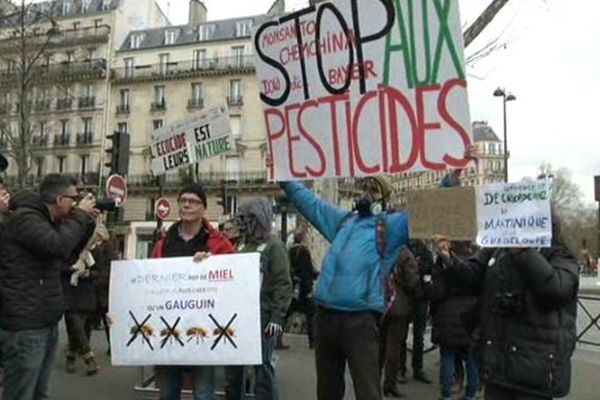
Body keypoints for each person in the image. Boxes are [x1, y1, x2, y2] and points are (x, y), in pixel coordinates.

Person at [280, 176, 409, 400]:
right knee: (328, 391)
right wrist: (283, 177)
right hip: (325, 317)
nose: (366, 194)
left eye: (374, 191)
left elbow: (429, 209)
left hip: (360, 320)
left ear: (385, 200)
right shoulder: (345, 221)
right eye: (365, 188)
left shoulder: (392, 226)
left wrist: (452, 180)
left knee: (367, 390)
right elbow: (310, 203)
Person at [434, 218, 579, 400]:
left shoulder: (559, 253)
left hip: (535, 370)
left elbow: (557, 291)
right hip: (498, 367)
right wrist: (450, 260)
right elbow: (473, 276)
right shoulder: (498, 249)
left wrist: (524, 253)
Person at [0, 174, 98, 400]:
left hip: (44, 319)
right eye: (74, 198)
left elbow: (68, 254)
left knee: (40, 393)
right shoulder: (26, 219)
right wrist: (80, 216)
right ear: (59, 199)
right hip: (25, 325)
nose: (77, 203)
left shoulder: (47, 222)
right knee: (21, 393)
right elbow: (58, 245)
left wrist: (86, 223)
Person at [151, 183, 235, 400]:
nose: (187, 205)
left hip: (204, 329)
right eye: (183, 200)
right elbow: (150, 283)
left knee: (204, 393)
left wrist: (212, 264)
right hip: (170, 327)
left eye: (194, 201)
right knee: (168, 392)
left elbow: (235, 275)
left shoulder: (218, 243)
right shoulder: (164, 243)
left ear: (203, 208)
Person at [225, 198, 292, 400]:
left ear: (259, 218)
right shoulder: (241, 245)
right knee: (233, 372)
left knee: (262, 370)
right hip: (240, 319)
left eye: (247, 218)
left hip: (263, 318)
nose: (243, 222)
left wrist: (276, 318)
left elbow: (283, 284)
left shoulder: (274, 247)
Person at [427, 236, 480, 400]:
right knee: (472, 359)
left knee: (448, 357)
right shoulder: (476, 258)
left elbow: (436, 292)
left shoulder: (441, 264)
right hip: (471, 315)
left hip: (447, 315)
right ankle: (471, 394)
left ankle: (447, 395)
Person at [62, 223, 110, 376]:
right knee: (75, 325)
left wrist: (88, 274)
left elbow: (99, 271)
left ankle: (71, 356)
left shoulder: (94, 252)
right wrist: (72, 269)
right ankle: (90, 359)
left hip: (86, 292)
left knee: (80, 327)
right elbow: (58, 267)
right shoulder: (68, 247)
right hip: (70, 291)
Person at [382, 246, 419, 398]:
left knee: (379, 345)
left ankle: (373, 381)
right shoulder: (405, 254)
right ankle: (390, 384)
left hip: (381, 303)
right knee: (394, 348)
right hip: (399, 305)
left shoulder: (382, 249)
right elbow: (412, 282)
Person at [288, 230, 318, 348]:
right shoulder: (303, 251)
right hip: (304, 288)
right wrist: (310, 288)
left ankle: (276, 338)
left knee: (287, 312)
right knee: (312, 313)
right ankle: (313, 341)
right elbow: (305, 270)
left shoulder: (291, 250)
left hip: (295, 286)